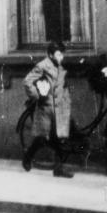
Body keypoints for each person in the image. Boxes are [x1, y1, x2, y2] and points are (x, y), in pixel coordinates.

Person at [22, 40, 74, 178]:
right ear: (50, 55)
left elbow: (63, 85)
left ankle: (58, 169)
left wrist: (66, 100)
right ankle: (28, 156)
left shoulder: (60, 66)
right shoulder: (42, 66)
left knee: (60, 138)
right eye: (58, 54)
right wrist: (37, 96)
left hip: (60, 108)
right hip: (46, 108)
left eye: (62, 54)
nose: (61, 57)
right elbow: (27, 81)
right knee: (42, 138)